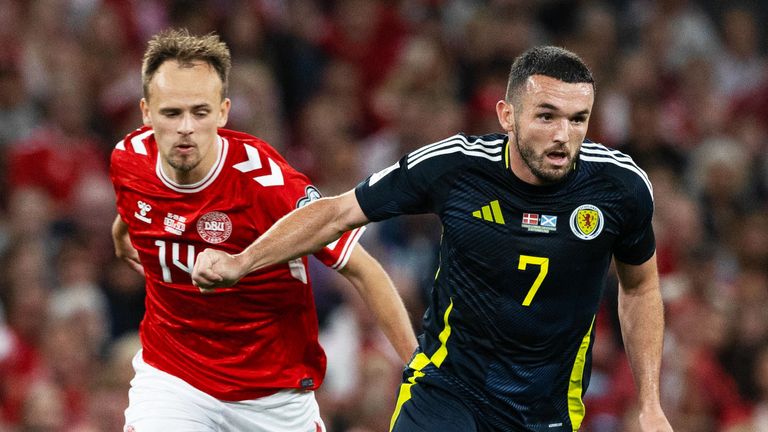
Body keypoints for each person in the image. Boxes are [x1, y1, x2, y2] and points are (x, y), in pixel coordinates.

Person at [193, 46, 674, 431]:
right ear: (507, 115)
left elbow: (641, 288)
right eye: (546, 116)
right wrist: (243, 261)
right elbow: (337, 213)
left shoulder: (620, 188)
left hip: (545, 406)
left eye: (578, 119)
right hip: (448, 388)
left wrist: (650, 404)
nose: (563, 136)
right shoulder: (456, 167)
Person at [109, 28, 416, 432]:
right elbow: (136, 205)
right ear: (147, 112)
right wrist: (121, 235)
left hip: (273, 398)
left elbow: (364, 269)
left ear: (222, 112)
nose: (186, 127)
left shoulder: (267, 185)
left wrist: (418, 369)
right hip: (174, 381)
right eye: (171, 113)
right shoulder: (129, 160)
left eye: (200, 112)